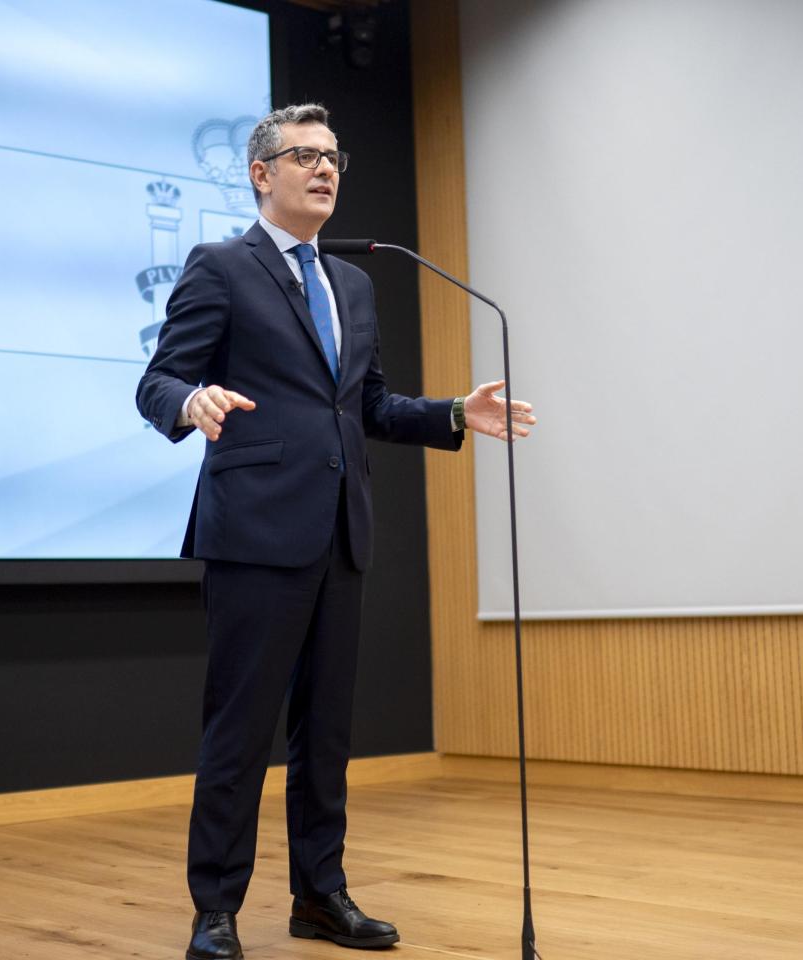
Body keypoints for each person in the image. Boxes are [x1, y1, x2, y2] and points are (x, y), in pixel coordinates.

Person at [136, 103, 536, 960]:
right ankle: (216, 910)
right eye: (305, 156)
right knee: (239, 731)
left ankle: (321, 895)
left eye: (334, 157)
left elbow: (368, 406)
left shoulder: (352, 283)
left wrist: (454, 413)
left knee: (326, 734)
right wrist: (189, 401)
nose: (326, 169)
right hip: (254, 535)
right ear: (260, 174)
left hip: (338, 531)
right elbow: (159, 380)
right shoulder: (222, 266)